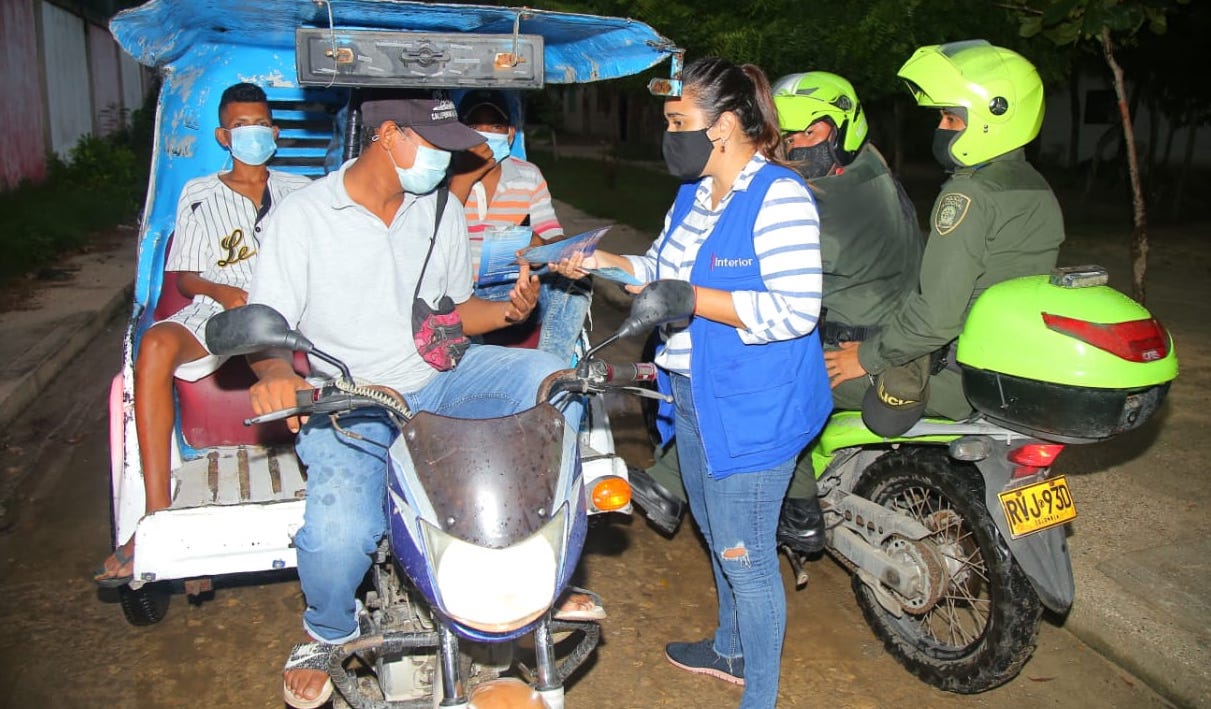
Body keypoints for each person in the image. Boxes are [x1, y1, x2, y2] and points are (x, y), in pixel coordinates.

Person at [244, 91, 583, 709]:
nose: (445, 162)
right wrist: (272, 371)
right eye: (434, 145)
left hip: (439, 376)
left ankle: (544, 559)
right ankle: (326, 632)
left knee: (554, 379)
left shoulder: (438, 213)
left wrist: (507, 310)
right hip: (349, 396)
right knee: (340, 532)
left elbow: (447, 318)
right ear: (389, 135)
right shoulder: (303, 217)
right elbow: (265, 324)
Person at [552, 56, 830, 709]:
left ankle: (758, 694)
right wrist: (602, 259)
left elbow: (795, 310)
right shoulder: (693, 192)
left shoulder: (779, 196)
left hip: (755, 404)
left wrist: (695, 296)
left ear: (726, 124)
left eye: (679, 121)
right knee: (713, 526)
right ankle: (730, 647)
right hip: (696, 392)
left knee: (744, 548)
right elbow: (658, 269)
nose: (667, 133)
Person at [628, 71, 924, 554]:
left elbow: (779, 293)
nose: (796, 145)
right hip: (870, 320)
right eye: (789, 135)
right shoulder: (868, 168)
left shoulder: (824, 200)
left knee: (766, 374)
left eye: (812, 132)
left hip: (858, 340)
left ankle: (793, 506)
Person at [93, 82, 312, 587]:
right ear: (223, 135)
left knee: (287, 332)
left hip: (284, 315)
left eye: (260, 124)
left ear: (274, 132)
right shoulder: (200, 194)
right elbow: (185, 278)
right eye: (241, 126)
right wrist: (221, 287)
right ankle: (155, 518)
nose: (252, 134)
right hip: (217, 308)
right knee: (153, 345)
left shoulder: (301, 192)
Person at [824, 39, 1064, 437]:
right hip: (998, 368)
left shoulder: (970, 194)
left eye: (951, 120)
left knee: (788, 383)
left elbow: (936, 318)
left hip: (951, 378)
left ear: (993, 117)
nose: (940, 129)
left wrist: (866, 358)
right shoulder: (1036, 187)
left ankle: (794, 501)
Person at [449, 89, 591, 364]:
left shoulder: (528, 175)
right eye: (475, 127)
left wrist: (540, 245)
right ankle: (472, 358)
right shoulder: (443, 177)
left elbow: (555, 239)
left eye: (495, 126)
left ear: (510, 133)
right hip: (460, 292)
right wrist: (465, 178)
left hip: (514, 284)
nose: (485, 134)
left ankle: (550, 369)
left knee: (577, 279)